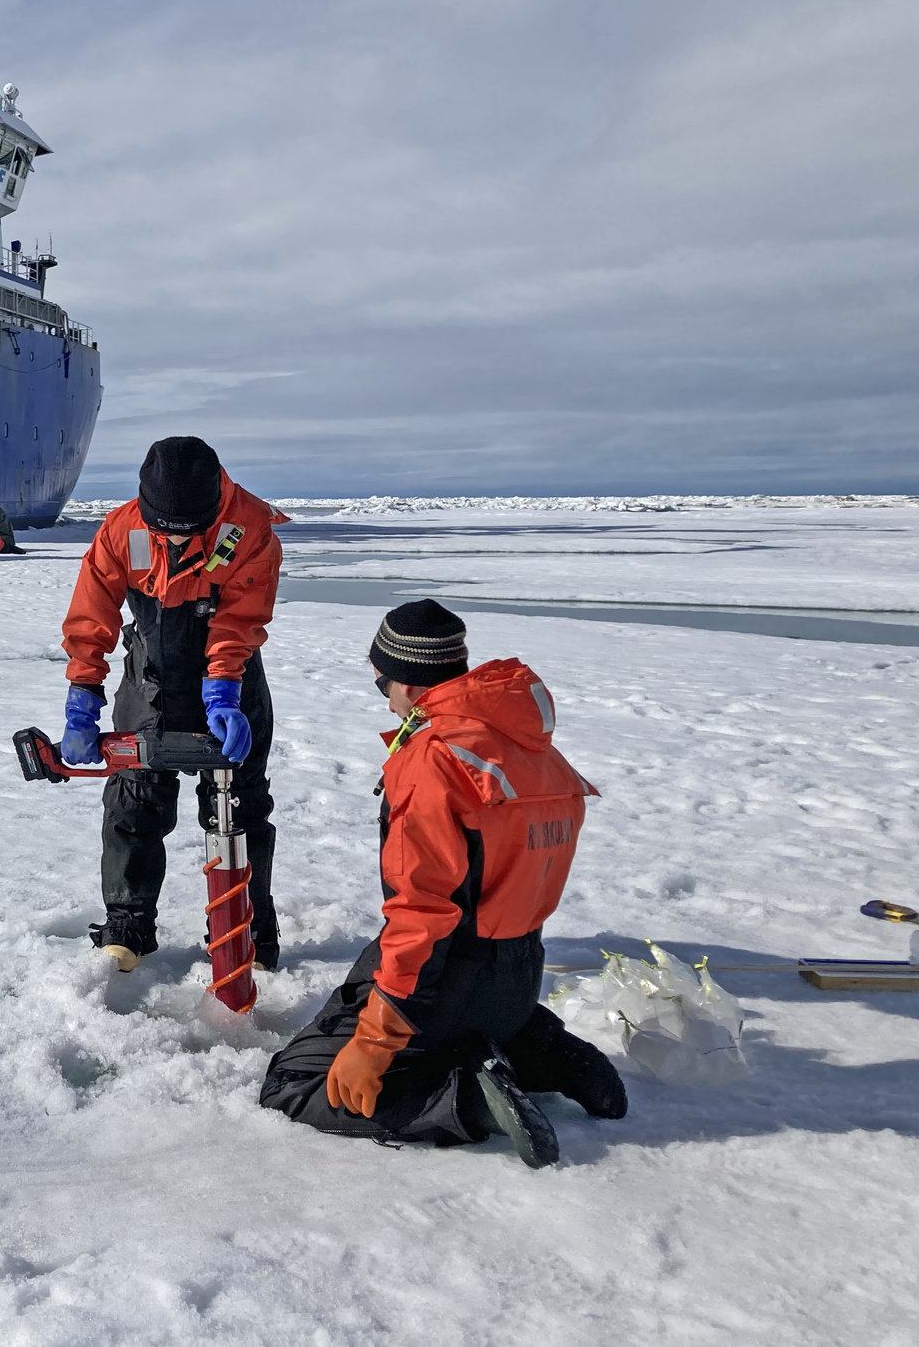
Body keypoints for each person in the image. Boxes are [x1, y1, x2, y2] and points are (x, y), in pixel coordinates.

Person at [258, 600, 628, 1168]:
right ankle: (537, 1049)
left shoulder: (433, 759)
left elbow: (422, 915)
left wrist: (375, 1041)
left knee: (293, 1082)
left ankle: (466, 1100)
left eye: (380, 680)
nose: (383, 696)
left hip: (444, 979)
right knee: (456, 1002)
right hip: (519, 973)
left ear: (405, 679)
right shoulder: (531, 748)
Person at [59, 436, 287, 972]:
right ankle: (127, 928)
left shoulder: (250, 528)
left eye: (188, 529)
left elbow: (239, 620)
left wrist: (224, 691)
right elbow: (93, 616)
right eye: (165, 528)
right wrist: (82, 695)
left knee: (240, 807)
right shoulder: (120, 530)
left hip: (228, 681)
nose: (175, 538)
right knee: (134, 799)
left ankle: (247, 928)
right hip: (151, 679)